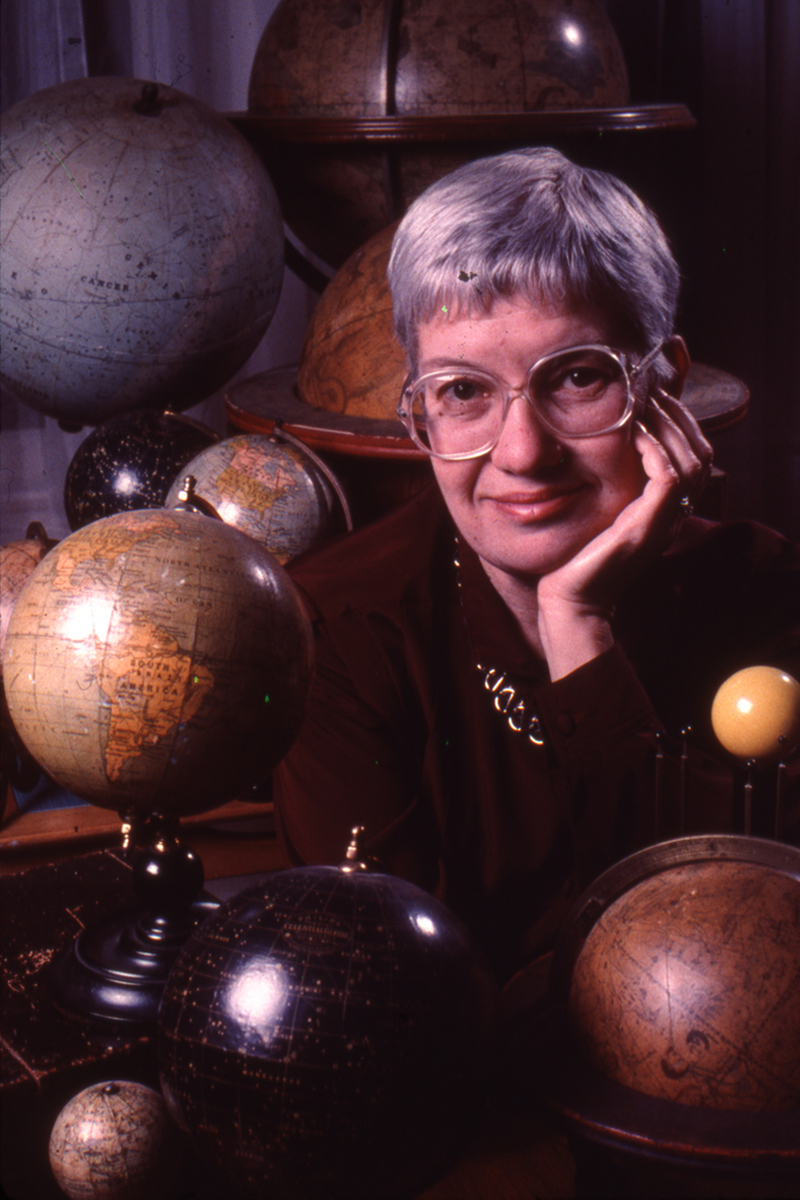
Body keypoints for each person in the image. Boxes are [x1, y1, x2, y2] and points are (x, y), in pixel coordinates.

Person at [273, 148, 800, 982]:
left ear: (666, 386)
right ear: (419, 414)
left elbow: (729, 969)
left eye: (579, 377)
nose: (521, 453)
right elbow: (387, 995)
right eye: (461, 391)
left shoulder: (762, 591)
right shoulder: (334, 633)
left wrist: (576, 624)